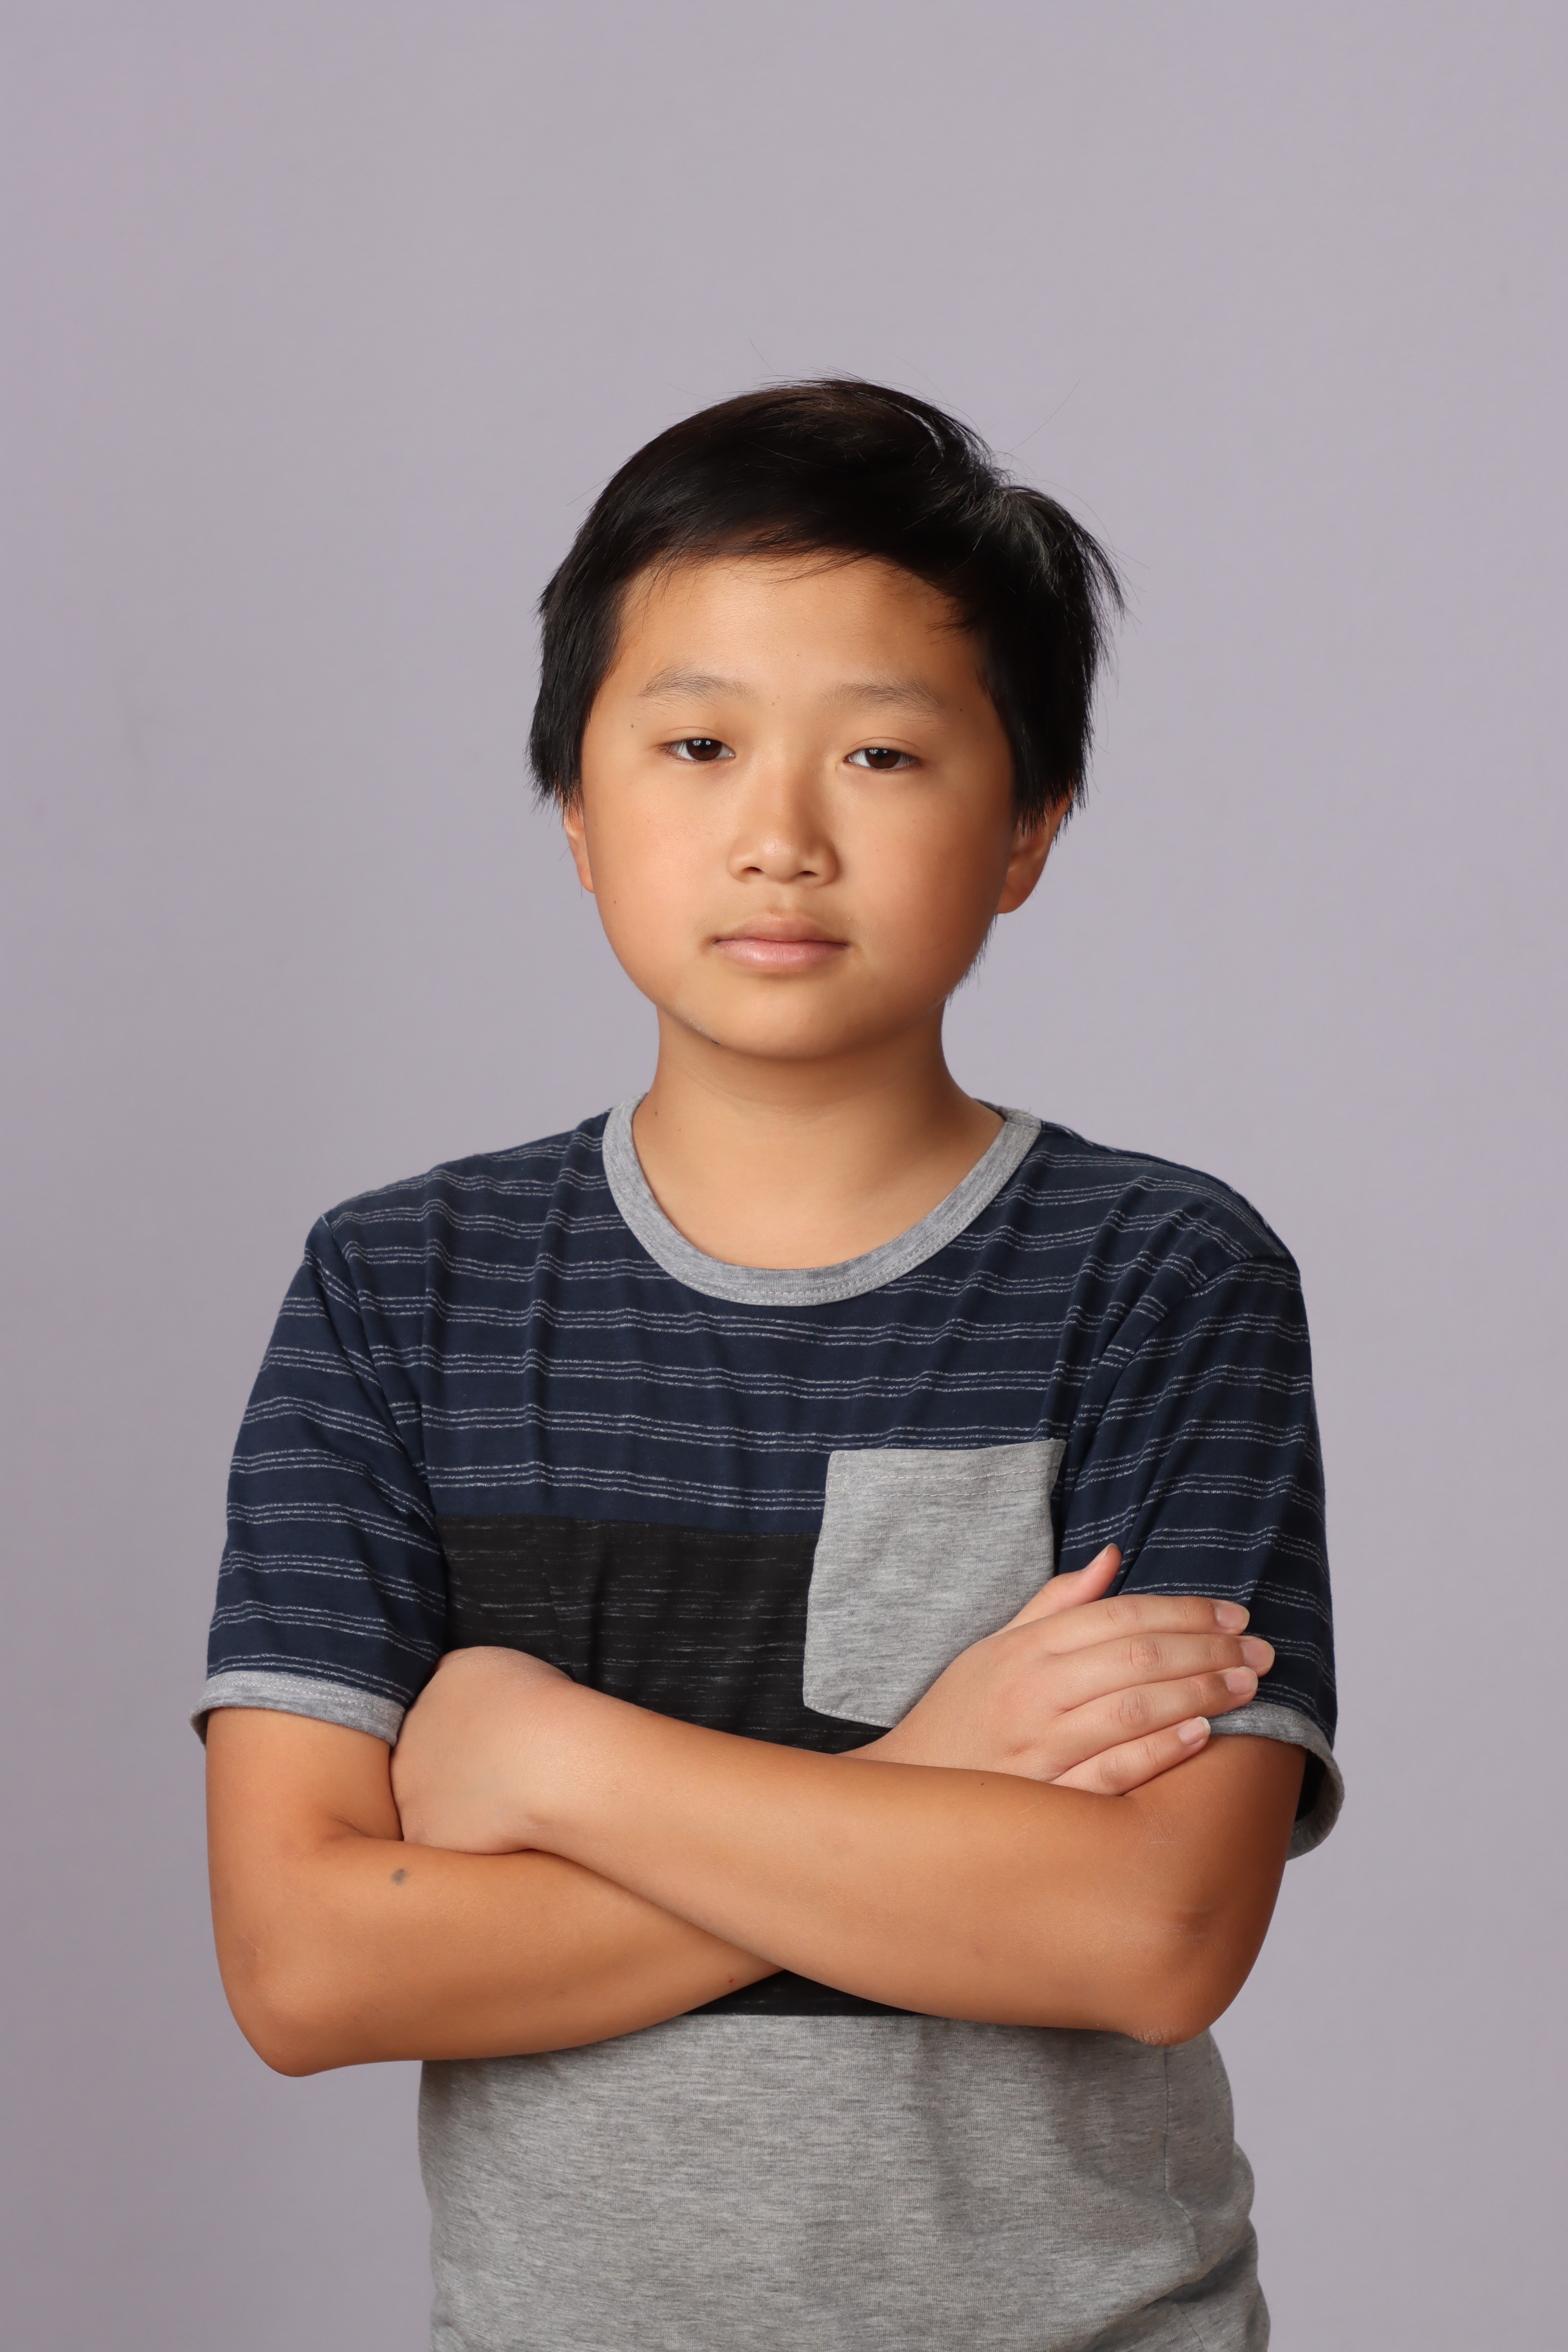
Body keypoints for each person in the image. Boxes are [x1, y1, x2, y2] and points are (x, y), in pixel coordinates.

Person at [200, 380, 1341, 2351]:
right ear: (577, 812)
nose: (781, 839)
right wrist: (921, 1783)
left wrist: (553, 1763)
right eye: (699, 745)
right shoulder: (402, 1288)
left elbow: (1148, 1931)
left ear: (1026, 828)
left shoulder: (1160, 1278)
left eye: (883, 755)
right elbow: (308, 1967)